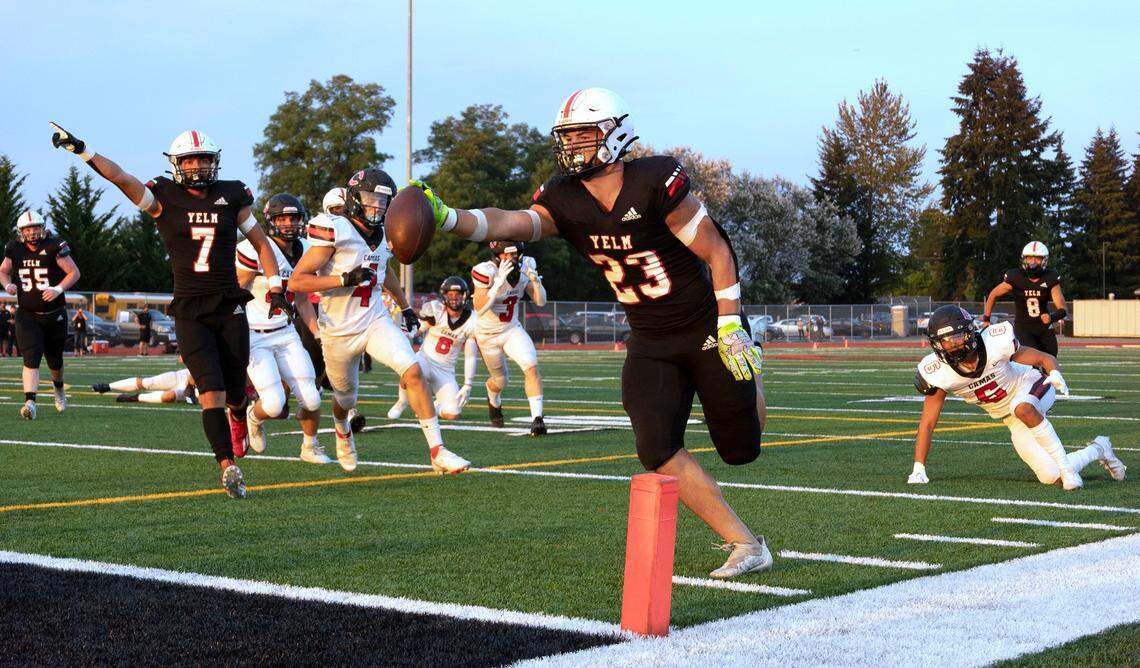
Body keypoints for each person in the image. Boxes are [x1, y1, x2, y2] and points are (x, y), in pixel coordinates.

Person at [413, 88, 769, 578]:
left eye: (582, 134)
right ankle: (745, 543)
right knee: (655, 448)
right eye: (566, 136)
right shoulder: (564, 198)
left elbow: (718, 253)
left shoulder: (653, 182)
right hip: (649, 338)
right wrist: (451, 218)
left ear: (613, 133)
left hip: (707, 324)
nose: (572, 145)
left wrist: (731, 322)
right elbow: (512, 221)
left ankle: (754, 359)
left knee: (741, 450)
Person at [51, 123, 288, 499]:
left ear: (215, 162)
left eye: (203, 160)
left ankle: (240, 413)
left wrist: (275, 286)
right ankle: (227, 464)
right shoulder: (164, 198)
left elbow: (262, 244)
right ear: (177, 164)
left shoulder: (232, 195)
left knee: (235, 388)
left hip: (229, 304)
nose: (197, 167)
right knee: (209, 389)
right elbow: (121, 178)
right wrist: (83, 150)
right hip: (190, 309)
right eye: (190, 160)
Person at [289, 167, 470, 474]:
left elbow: (384, 274)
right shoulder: (335, 228)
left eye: (383, 201)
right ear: (354, 198)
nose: (377, 206)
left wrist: (406, 307)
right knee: (345, 399)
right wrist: (344, 278)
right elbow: (297, 282)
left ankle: (437, 450)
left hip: (375, 319)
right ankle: (341, 428)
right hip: (338, 331)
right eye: (370, 198)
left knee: (413, 370)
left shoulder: (386, 234)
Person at [910, 305, 1126, 489]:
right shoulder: (937, 372)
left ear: (969, 333)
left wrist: (1055, 373)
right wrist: (918, 469)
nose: (952, 344)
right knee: (1050, 476)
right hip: (1012, 417)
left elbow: (1044, 358)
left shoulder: (995, 342)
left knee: (1021, 407)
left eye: (956, 337)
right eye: (945, 341)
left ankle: (1069, 472)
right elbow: (927, 424)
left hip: (1032, 384)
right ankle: (1099, 449)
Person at [236, 193, 330, 465]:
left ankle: (309, 446)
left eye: (293, 217)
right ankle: (254, 417)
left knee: (312, 398)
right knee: (275, 404)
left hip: (286, 332)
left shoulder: (306, 248)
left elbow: (301, 298)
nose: (289, 223)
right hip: (255, 334)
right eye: (282, 218)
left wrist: (316, 333)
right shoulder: (256, 249)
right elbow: (235, 290)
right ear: (271, 221)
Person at [1, 211, 82, 419]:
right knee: (31, 358)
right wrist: (7, 284)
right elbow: (3, 270)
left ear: (43, 227)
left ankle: (59, 388)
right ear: (21, 232)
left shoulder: (54, 245)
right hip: (27, 314)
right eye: (28, 229)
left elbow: (74, 272)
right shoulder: (14, 248)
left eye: (35, 227)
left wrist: (58, 289)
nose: (32, 232)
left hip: (54, 314)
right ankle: (30, 402)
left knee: (54, 360)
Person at [470, 242, 548, 435]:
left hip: (511, 329)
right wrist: (497, 283)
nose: (511, 260)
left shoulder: (526, 266)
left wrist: (536, 282)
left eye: (515, 255)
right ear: (497, 256)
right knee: (500, 381)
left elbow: (540, 302)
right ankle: (492, 398)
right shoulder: (485, 271)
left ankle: (537, 420)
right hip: (487, 335)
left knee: (531, 366)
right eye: (507, 255)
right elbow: (479, 308)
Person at [388, 276, 479, 421]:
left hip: (445, 370)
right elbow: (421, 327)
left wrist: (468, 383)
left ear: (465, 295)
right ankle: (401, 402)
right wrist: (409, 333)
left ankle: (432, 407)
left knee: (453, 413)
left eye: (458, 295)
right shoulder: (437, 310)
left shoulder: (472, 320)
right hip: (426, 360)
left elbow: (471, 355)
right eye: (450, 295)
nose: (454, 298)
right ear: (444, 296)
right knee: (408, 371)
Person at [981, 241, 1067, 357]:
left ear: (1044, 260)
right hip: (1024, 328)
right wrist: (986, 319)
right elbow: (993, 295)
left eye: (1037, 258)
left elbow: (1062, 308)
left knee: (1051, 362)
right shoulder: (1015, 277)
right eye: (1029, 258)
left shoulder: (1050, 277)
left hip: (1044, 328)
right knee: (1032, 365)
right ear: (1023, 259)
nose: (1032, 262)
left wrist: (1051, 317)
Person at [92, 367, 198, 404]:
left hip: (198, 387)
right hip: (184, 376)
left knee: (169, 396)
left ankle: (135, 398)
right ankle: (107, 386)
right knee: (147, 382)